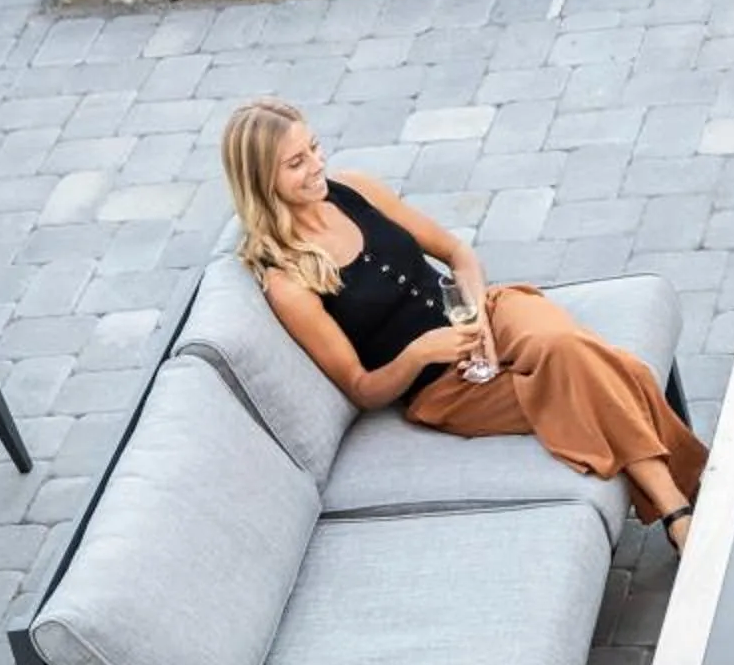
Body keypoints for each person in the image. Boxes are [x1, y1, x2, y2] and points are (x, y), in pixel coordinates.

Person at [221, 97, 708, 547]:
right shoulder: (287, 281)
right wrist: (421, 353)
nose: (316, 165)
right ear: (262, 179)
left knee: (564, 345)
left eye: (313, 147)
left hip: (488, 310)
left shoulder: (355, 189)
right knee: (594, 368)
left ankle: (678, 512)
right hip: (447, 386)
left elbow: (456, 253)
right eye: (296, 162)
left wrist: (477, 318)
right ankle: (682, 501)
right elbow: (361, 387)